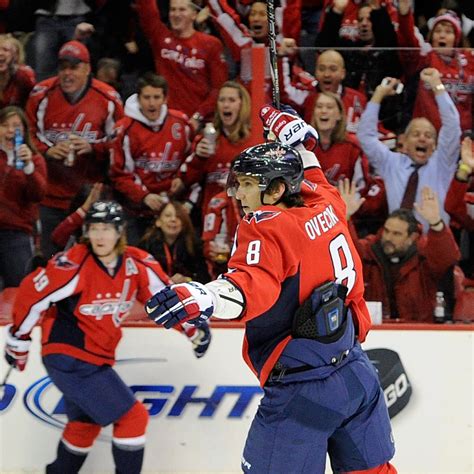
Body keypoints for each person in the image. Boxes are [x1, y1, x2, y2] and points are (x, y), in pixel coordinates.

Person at [145, 106, 397, 473]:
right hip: (355, 373)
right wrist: (298, 142)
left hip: (303, 388)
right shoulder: (327, 202)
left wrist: (205, 297)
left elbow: (253, 285)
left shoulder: (268, 225)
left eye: (249, 184)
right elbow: (312, 173)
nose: (239, 193)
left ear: (277, 189)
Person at [3, 200, 211, 474]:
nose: (100, 236)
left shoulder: (137, 263)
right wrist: (19, 340)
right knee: (133, 418)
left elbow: (163, 299)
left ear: (120, 231)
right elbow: (33, 294)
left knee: (84, 424)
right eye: (94, 228)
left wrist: (193, 328)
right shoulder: (75, 262)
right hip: (68, 356)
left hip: (95, 358)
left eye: (106, 228)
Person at [26, 40, 124, 258]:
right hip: (49, 196)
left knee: (94, 259)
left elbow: (120, 142)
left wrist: (93, 147)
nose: (67, 74)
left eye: (74, 68)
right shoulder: (41, 94)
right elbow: (27, 134)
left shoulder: (108, 98)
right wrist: (47, 150)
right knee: (50, 259)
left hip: (90, 197)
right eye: (63, 68)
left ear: (88, 69)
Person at [340, 179, 460, 321]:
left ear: (412, 237)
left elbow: (447, 258)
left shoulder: (424, 256)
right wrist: (344, 217)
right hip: (374, 327)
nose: (388, 237)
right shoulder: (369, 250)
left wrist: (436, 224)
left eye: (397, 234)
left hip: (419, 329)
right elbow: (347, 253)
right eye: (387, 231)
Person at [356, 68, 461, 232]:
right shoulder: (391, 163)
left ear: (435, 145)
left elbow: (452, 126)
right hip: (397, 241)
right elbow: (365, 136)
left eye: (428, 135)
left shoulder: (442, 164)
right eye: (416, 134)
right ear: (404, 142)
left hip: (434, 240)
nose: (422, 139)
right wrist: (378, 95)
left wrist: (437, 86)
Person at [109, 72, 191, 244]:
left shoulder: (181, 123)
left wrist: (182, 178)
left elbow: (191, 161)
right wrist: (144, 196)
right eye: (146, 97)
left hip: (173, 210)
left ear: (165, 99)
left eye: (156, 97)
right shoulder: (124, 129)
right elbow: (119, 174)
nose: (152, 103)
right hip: (136, 211)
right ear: (138, 99)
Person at [135, 0, 228, 129]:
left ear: (194, 14)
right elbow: (147, 11)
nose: (176, 14)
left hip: (200, 124)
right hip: (166, 122)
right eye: (173, 9)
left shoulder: (211, 44)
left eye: (182, 10)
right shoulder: (160, 38)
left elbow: (219, 88)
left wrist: (198, 116)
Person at [175, 81, 259, 220]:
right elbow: (183, 182)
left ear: (242, 104)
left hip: (246, 215)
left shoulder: (255, 141)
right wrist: (198, 158)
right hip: (212, 216)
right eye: (222, 100)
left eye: (231, 100)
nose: (226, 105)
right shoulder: (205, 139)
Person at [397, 1, 474, 133]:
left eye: (448, 31)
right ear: (432, 36)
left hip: (463, 136)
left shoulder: (470, 60)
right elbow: (408, 39)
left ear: (456, 38)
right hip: (427, 136)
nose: (442, 35)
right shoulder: (425, 57)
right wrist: (404, 15)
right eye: (437, 31)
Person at [0, 106, 47, 288]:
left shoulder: (35, 160)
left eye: (16, 126)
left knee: (18, 290)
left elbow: (38, 195)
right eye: (5, 125)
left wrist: (28, 167)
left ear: (24, 131)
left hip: (16, 234)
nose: (10, 130)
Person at [282, 49, 368, 134]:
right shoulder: (306, 96)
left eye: (333, 69)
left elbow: (371, 132)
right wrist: (281, 57)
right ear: (315, 71)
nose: (326, 74)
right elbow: (283, 91)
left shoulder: (358, 99)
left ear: (343, 73)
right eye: (321, 69)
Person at [139, 200, 210, 284]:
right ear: (158, 222)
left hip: (185, 289)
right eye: (168, 215)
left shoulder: (194, 244)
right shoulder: (146, 244)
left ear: (183, 223)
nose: (173, 219)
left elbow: (205, 278)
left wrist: (187, 280)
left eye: (178, 216)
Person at [0, 34, 36, 109]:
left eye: (5, 50)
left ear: (15, 55)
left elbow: (35, 102)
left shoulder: (24, 75)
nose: (0, 53)